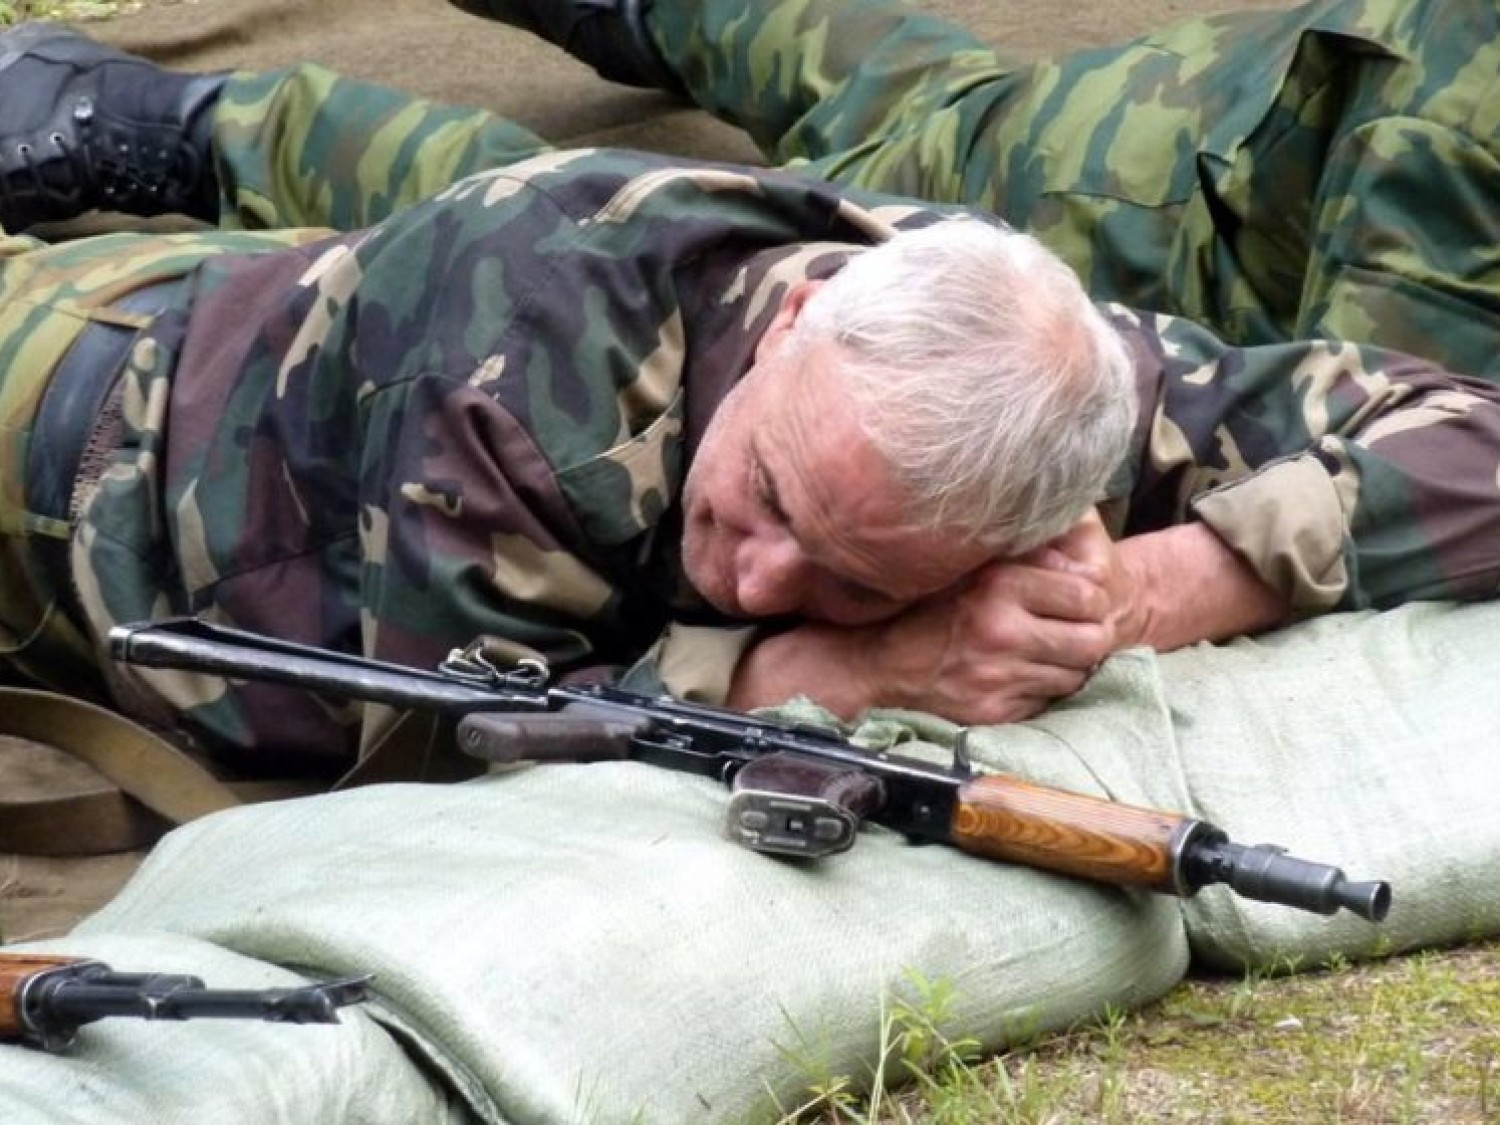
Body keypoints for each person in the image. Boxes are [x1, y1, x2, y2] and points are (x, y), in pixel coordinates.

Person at [2, 25, 1499, 776]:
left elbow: (1477, 444)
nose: (761, 574)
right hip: (77, 441)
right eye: (775, 496)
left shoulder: (1045, 388)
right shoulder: (512, 377)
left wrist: (1149, 589)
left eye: (853, 574)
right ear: (795, 317)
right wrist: (843, 667)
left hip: (299, 334)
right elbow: (456, 749)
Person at [453, 0, 1500, 382]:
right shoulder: (1453, 136)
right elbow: (1386, 455)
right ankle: (329, 139)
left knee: (867, 72)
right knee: (599, 240)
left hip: (1114, 121)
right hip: (1034, 223)